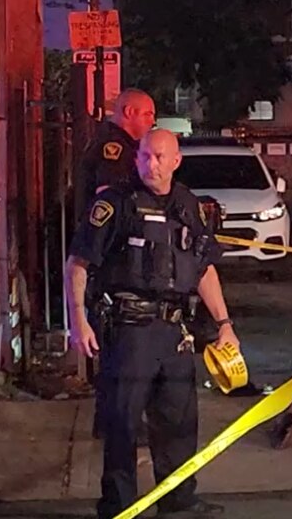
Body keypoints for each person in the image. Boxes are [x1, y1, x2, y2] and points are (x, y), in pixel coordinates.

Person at [65, 129, 236, 519]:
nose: (151, 164)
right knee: (122, 424)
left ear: (176, 161)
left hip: (175, 331)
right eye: (144, 156)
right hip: (130, 330)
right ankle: (119, 506)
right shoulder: (115, 203)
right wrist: (78, 320)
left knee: (178, 421)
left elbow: (204, 268)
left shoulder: (187, 204)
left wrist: (224, 323)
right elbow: (78, 263)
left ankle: (178, 501)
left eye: (159, 157)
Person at [76, 88, 158, 443]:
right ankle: (119, 423)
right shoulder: (114, 149)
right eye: (147, 113)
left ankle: (109, 420)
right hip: (110, 255)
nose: (152, 121)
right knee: (122, 346)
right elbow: (111, 198)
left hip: (109, 254)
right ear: (128, 112)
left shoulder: (116, 144)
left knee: (116, 345)